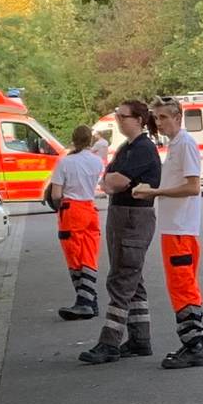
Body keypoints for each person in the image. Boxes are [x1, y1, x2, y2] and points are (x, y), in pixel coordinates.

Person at [78, 101, 162, 365]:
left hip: (133, 217)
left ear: (138, 119)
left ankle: (109, 342)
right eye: (117, 116)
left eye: (122, 116)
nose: (118, 120)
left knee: (122, 278)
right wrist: (110, 180)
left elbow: (116, 181)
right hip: (122, 214)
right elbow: (108, 179)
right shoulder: (128, 147)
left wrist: (111, 180)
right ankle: (140, 338)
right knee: (133, 280)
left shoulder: (143, 149)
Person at [132, 97, 203, 368]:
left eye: (164, 117)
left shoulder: (185, 144)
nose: (159, 122)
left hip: (180, 228)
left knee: (182, 287)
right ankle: (194, 342)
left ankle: (194, 346)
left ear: (178, 117)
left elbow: (193, 187)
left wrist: (155, 192)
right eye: (157, 117)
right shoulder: (177, 144)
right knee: (181, 286)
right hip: (176, 228)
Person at [51, 123, 107, 319]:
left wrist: (56, 203)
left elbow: (56, 194)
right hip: (90, 209)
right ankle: (89, 300)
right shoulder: (96, 162)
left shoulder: (65, 163)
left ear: (73, 140)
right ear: (90, 140)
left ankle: (85, 302)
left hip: (71, 210)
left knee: (74, 256)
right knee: (89, 255)